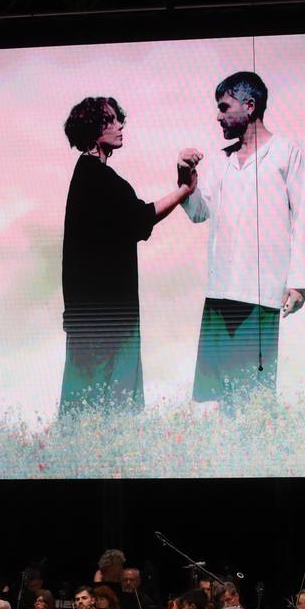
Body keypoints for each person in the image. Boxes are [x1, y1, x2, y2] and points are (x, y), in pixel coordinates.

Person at [177, 71, 305, 402]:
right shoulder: (222, 160)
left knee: (253, 399)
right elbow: (199, 212)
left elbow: (303, 219)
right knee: (220, 397)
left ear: (249, 106)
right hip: (220, 291)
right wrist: (185, 180)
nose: (218, 115)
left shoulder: (286, 153)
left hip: (259, 293)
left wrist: (299, 282)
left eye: (224, 108)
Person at [59, 96, 196, 414]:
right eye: (110, 120)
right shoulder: (98, 177)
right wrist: (184, 190)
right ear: (94, 130)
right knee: (112, 404)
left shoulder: (88, 175)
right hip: (107, 318)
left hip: (90, 317)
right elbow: (139, 219)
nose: (120, 125)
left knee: (86, 403)